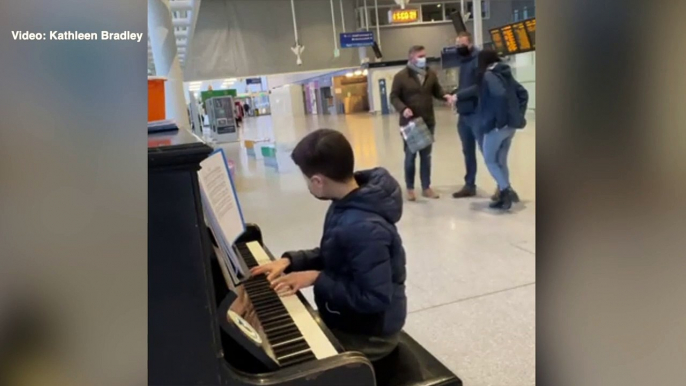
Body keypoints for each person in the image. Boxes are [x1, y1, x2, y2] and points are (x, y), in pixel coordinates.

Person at [250, 129, 407, 362]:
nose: (308, 186)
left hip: (369, 337)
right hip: (350, 318)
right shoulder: (348, 200)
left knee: (293, 360)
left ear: (318, 181)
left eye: (307, 181)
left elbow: (375, 297)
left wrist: (316, 278)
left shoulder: (363, 228)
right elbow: (336, 253)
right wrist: (291, 262)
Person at [390, 45, 454, 201]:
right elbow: (393, 97)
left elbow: (437, 91)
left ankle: (426, 187)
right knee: (410, 156)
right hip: (410, 123)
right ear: (411, 58)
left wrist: (446, 97)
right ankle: (410, 188)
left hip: (428, 121)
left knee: (426, 157)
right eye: (420, 56)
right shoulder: (401, 76)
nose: (423, 58)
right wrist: (403, 109)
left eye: (424, 55)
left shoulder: (430, 74)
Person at [476, 49, 529, 210]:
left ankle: (506, 191)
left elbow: (498, 96)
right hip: (511, 127)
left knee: (489, 159)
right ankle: (503, 194)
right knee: (501, 160)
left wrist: (500, 120)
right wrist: (517, 115)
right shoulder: (505, 73)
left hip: (498, 127)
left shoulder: (489, 75)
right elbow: (523, 94)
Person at [451, 31, 482, 199]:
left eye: (461, 45)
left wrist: (458, 96)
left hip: (477, 113)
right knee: (467, 151)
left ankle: (503, 186)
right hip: (463, 114)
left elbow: (479, 86)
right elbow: (465, 86)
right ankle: (470, 184)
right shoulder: (463, 62)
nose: (458, 48)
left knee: (488, 152)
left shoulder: (478, 60)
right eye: (456, 45)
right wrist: (455, 94)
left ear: (470, 44)